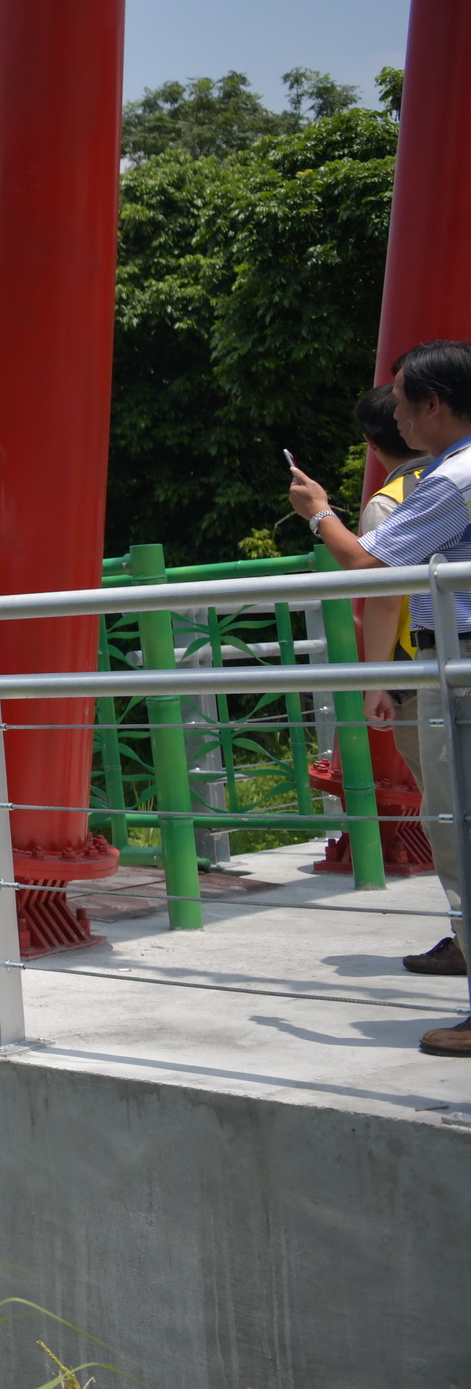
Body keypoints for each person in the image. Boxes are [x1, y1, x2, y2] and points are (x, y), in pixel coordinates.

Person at [291, 338, 471, 1056]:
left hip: (456, 669)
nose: (395, 414)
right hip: (447, 666)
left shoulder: (452, 480)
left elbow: (370, 565)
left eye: (401, 401)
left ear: (433, 404)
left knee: (458, 829)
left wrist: (315, 512)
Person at [352, 383, 452, 975]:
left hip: (428, 675)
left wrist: (376, 679)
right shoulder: (453, 479)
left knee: (448, 814)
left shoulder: (393, 502)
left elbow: (383, 592)